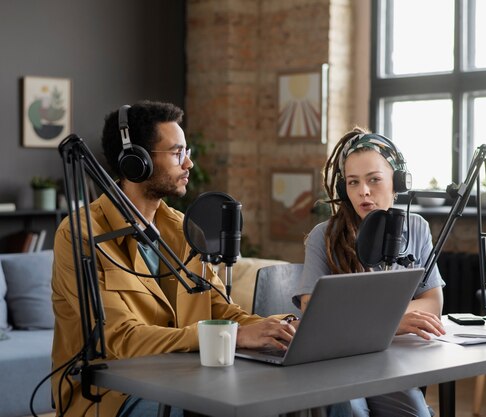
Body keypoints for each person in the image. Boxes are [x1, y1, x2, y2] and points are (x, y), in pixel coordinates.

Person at [51, 101, 297, 417]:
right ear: (135, 162)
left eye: (187, 151)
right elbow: (120, 340)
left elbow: (220, 310)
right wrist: (229, 337)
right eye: (177, 153)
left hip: (190, 381)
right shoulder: (80, 235)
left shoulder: (184, 229)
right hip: (114, 396)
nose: (189, 164)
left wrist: (277, 327)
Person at [294, 127, 446, 417]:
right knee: (352, 412)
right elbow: (314, 311)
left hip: (388, 358)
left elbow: (432, 303)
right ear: (343, 189)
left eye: (374, 179)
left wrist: (360, 318)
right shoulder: (322, 236)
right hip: (336, 361)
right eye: (353, 183)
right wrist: (393, 319)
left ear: (397, 181)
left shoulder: (416, 228)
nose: (363, 191)